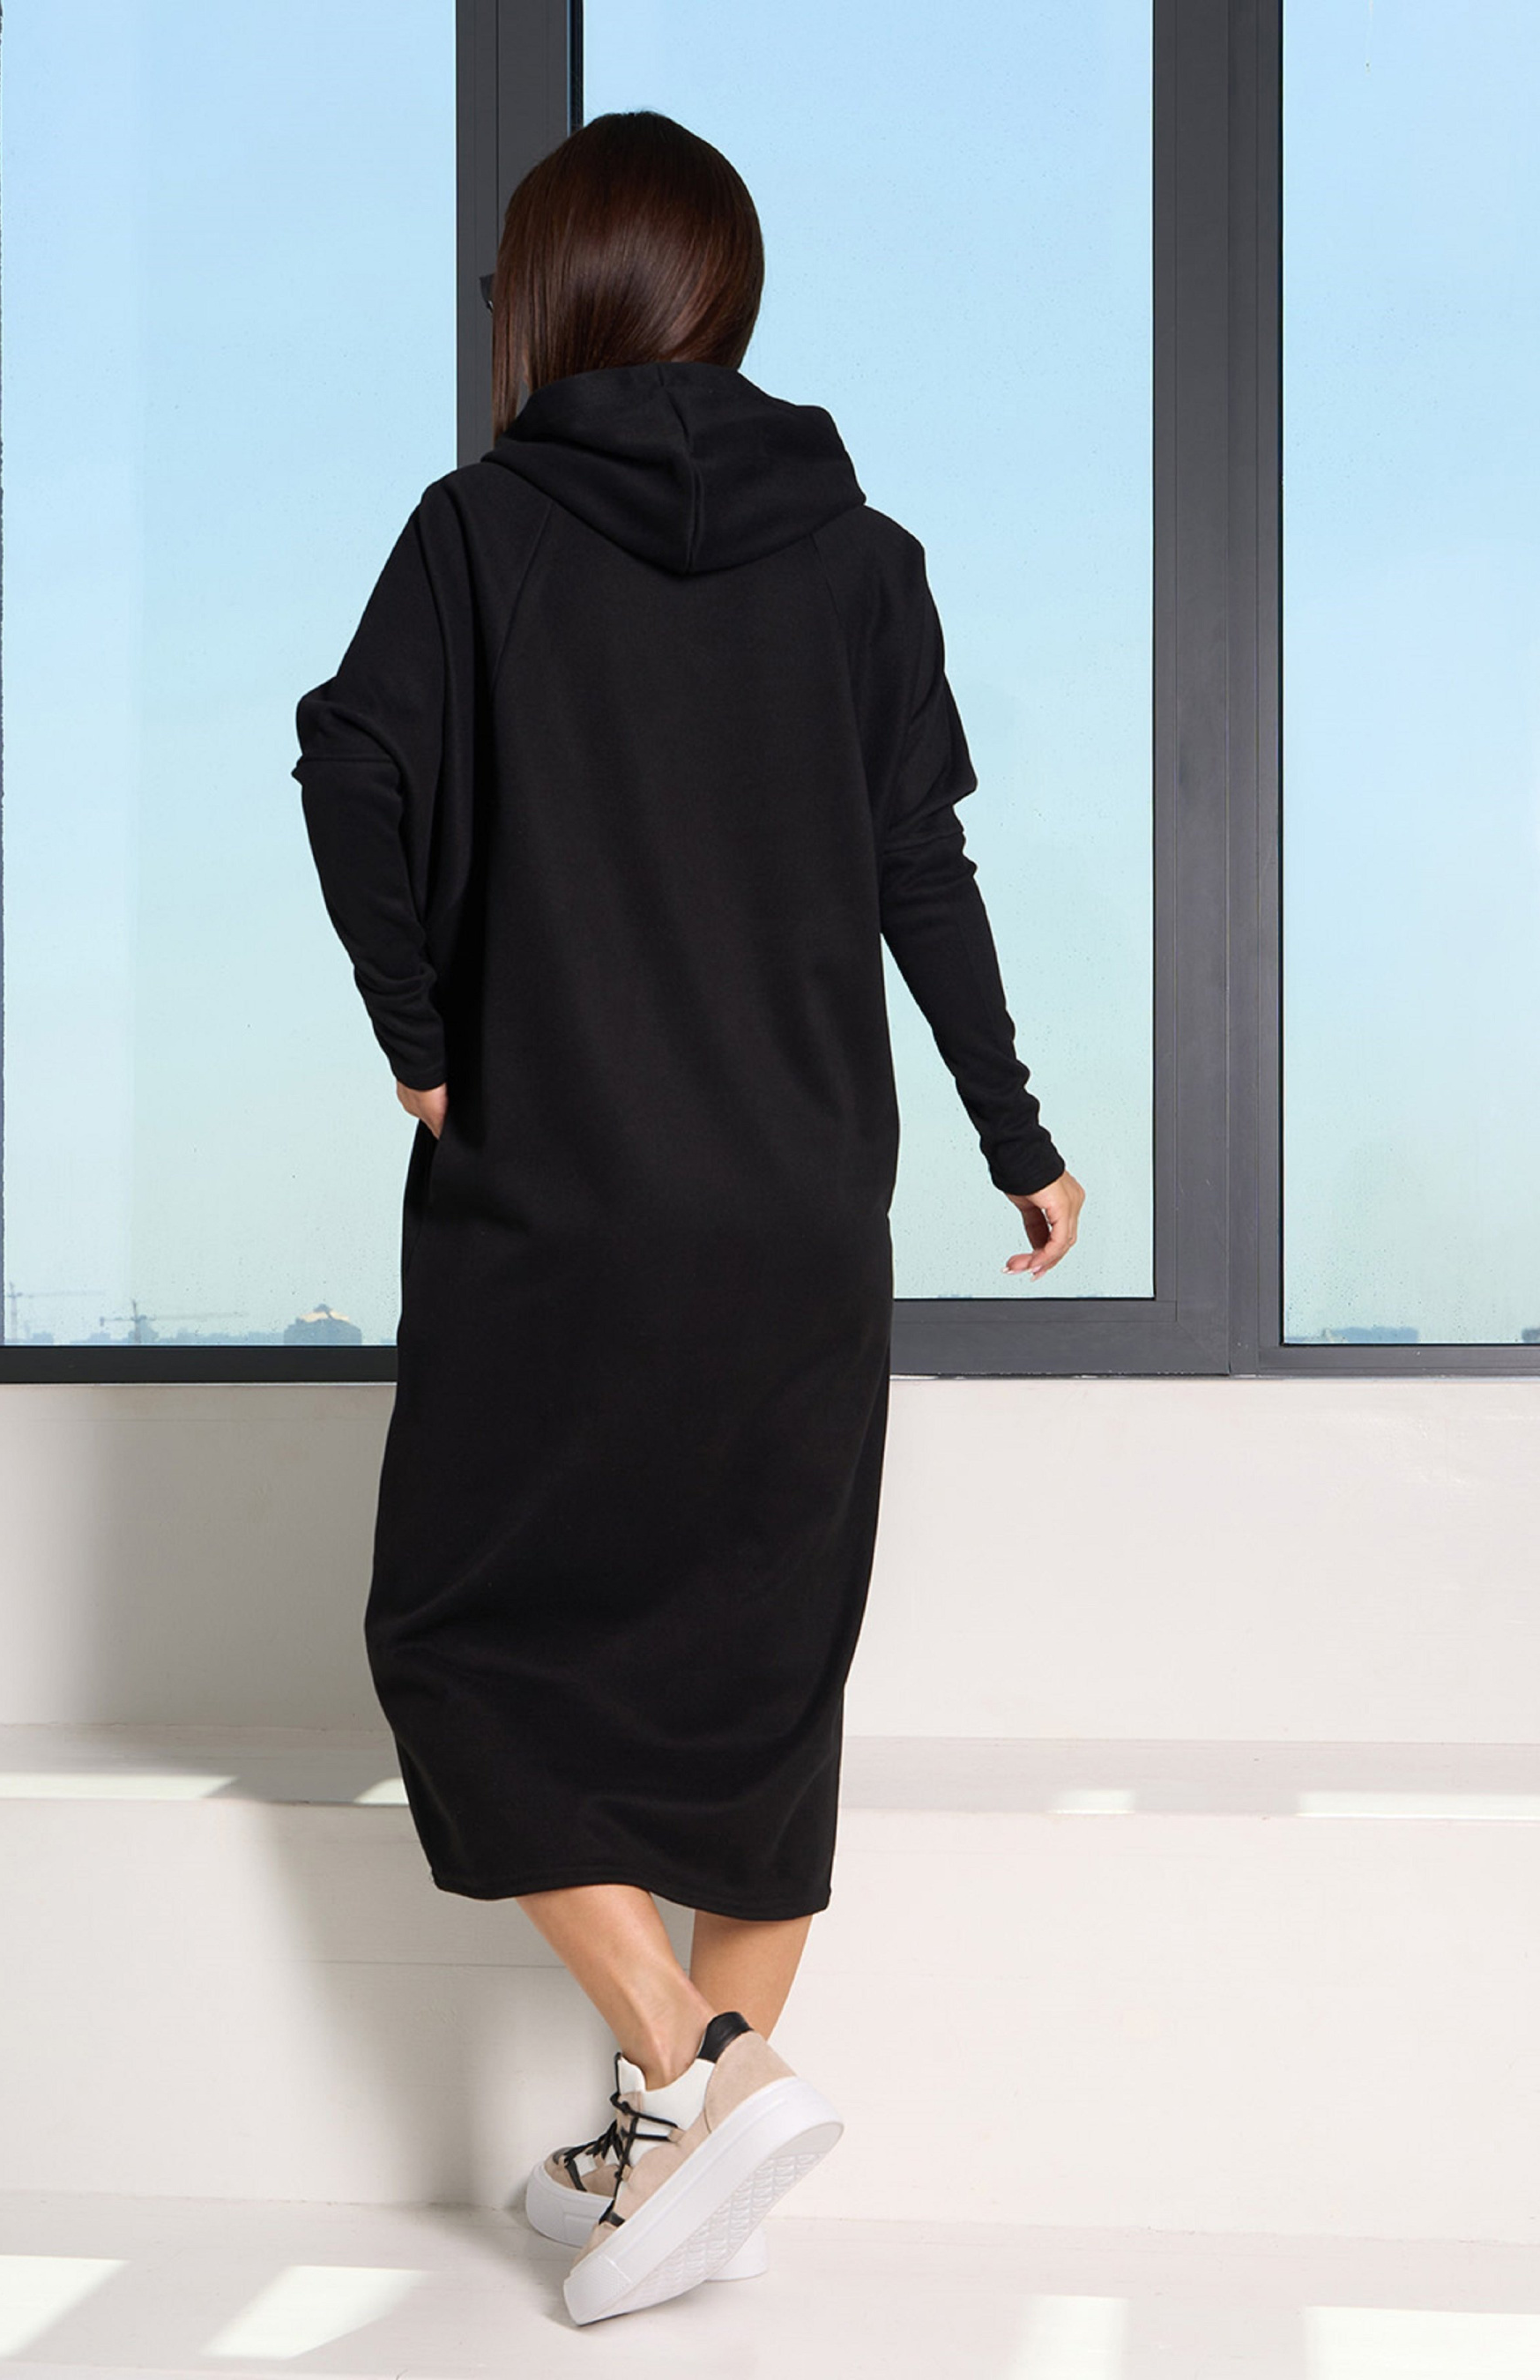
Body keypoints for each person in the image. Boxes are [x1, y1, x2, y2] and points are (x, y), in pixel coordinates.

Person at [292, 108, 1083, 2326]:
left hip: (563, 1188)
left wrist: (420, 1035)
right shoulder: (863, 558)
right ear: (724, 295)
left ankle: (696, 2073)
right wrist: (1014, 1136)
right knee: (755, 1685)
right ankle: (672, 2143)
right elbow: (919, 866)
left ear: (540, 300)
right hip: (803, 1199)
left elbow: (349, 761)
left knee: (457, 1642)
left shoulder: (480, 532)